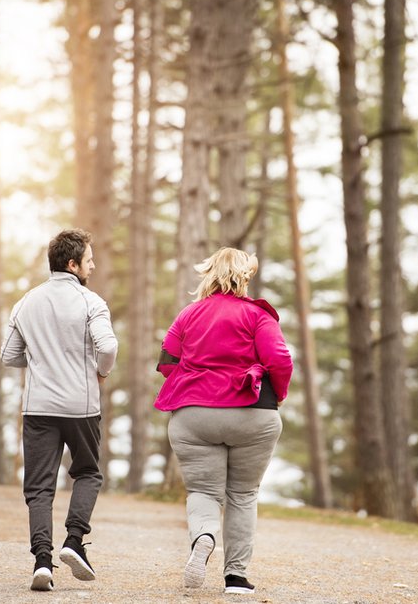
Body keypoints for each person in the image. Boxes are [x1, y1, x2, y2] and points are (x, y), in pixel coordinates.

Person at [155, 247, 292, 595]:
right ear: (245, 277)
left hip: (194, 414)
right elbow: (279, 358)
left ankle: (203, 535)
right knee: (243, 495)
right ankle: (236, 578)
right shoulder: (258, 316)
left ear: (209, 274)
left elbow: (168, 360)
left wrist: (194, 378)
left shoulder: (188, 314)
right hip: (252, 413)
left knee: (203, 491)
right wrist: (278, 393)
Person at [1, 228, 118, 592]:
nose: (93, 265)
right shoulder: (91, 302)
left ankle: (41, 562)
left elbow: (8, 356)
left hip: (38, 407)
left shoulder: (26, 303)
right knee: (87, 473)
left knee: (39, 488)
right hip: (80, 406)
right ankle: (74, 541)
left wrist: (41, 359)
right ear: (73, 264)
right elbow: (109, 347)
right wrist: (100, 371)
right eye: (89, 259)